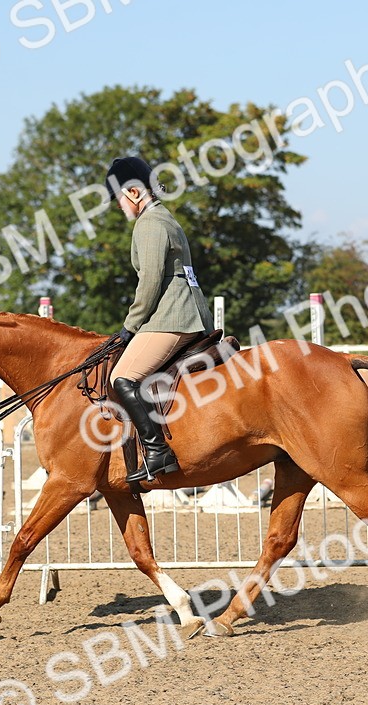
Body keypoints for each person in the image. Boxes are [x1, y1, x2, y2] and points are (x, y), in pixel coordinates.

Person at [105, 155, 215, 482]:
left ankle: (157, 451)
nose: (118, 206)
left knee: (121, 377)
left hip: (171, 317)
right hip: (189, 311)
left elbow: (150, 280)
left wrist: (130, 326)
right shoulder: (166, 218)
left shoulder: (149, 224)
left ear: (135, 193)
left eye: (119, 198)